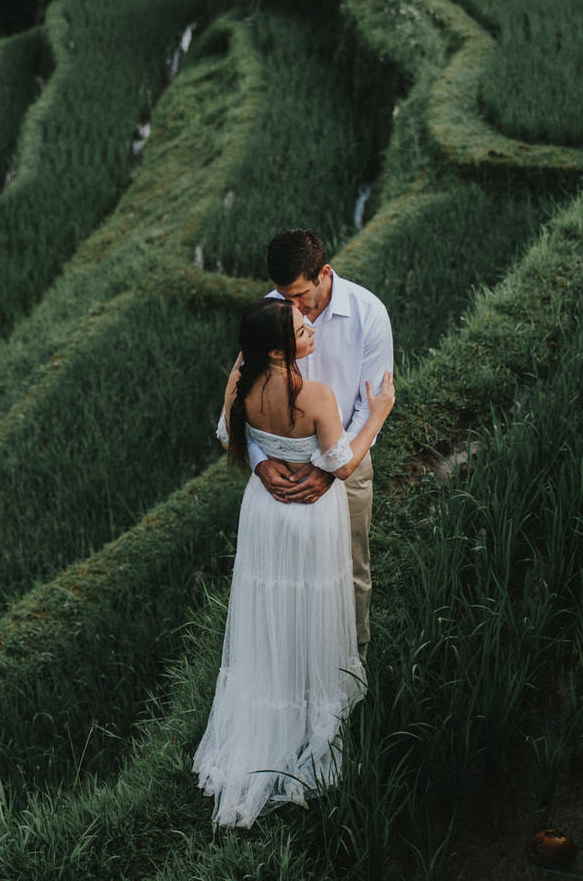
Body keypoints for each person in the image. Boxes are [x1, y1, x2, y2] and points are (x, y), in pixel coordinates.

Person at [193, 297, 397, 828]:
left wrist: (262, 461)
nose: (311, 327)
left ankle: (276, 691)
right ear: (282, 351)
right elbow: (344, 463)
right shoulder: (317, 397)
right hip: (310, 515)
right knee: (313, 596)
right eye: (302, 327)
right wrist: (377, 413)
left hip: (264, 512)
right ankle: (311, 701)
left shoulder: (243, 383)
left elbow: (225, 434)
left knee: (272, 600)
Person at [249, 229, 393, 661]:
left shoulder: (368, 314)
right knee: (284, 574)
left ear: (325, 273)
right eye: (283, 297)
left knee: (350, 570)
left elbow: (370, 406)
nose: (294, 309)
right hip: (280, 472)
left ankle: (354, 660)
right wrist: (259, 462)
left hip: (347, 460)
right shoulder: (269, 311)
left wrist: (329, 467)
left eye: (300, 296)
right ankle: (295, 660)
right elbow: (241, 393)